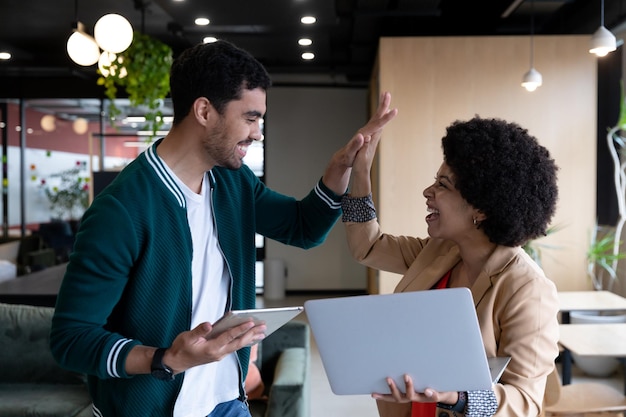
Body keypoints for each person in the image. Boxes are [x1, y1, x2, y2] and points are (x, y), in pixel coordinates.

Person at [49, 40, 396, 417]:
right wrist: (165, 358)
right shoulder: (122, 210)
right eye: (250, 118)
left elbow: (303, 228)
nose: (258, 132)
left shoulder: (233, 183)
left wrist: (341, 168)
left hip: (227, 404)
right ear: (204, 111)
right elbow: (71, 339)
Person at [341, 110, 560, 417]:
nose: (428, 192)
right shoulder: (439, 251)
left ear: (481, 209)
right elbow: (369, 246)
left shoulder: (527, 289)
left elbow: (525, 402)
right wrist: (361, 172)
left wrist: (456, 396)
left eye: (442, 185)